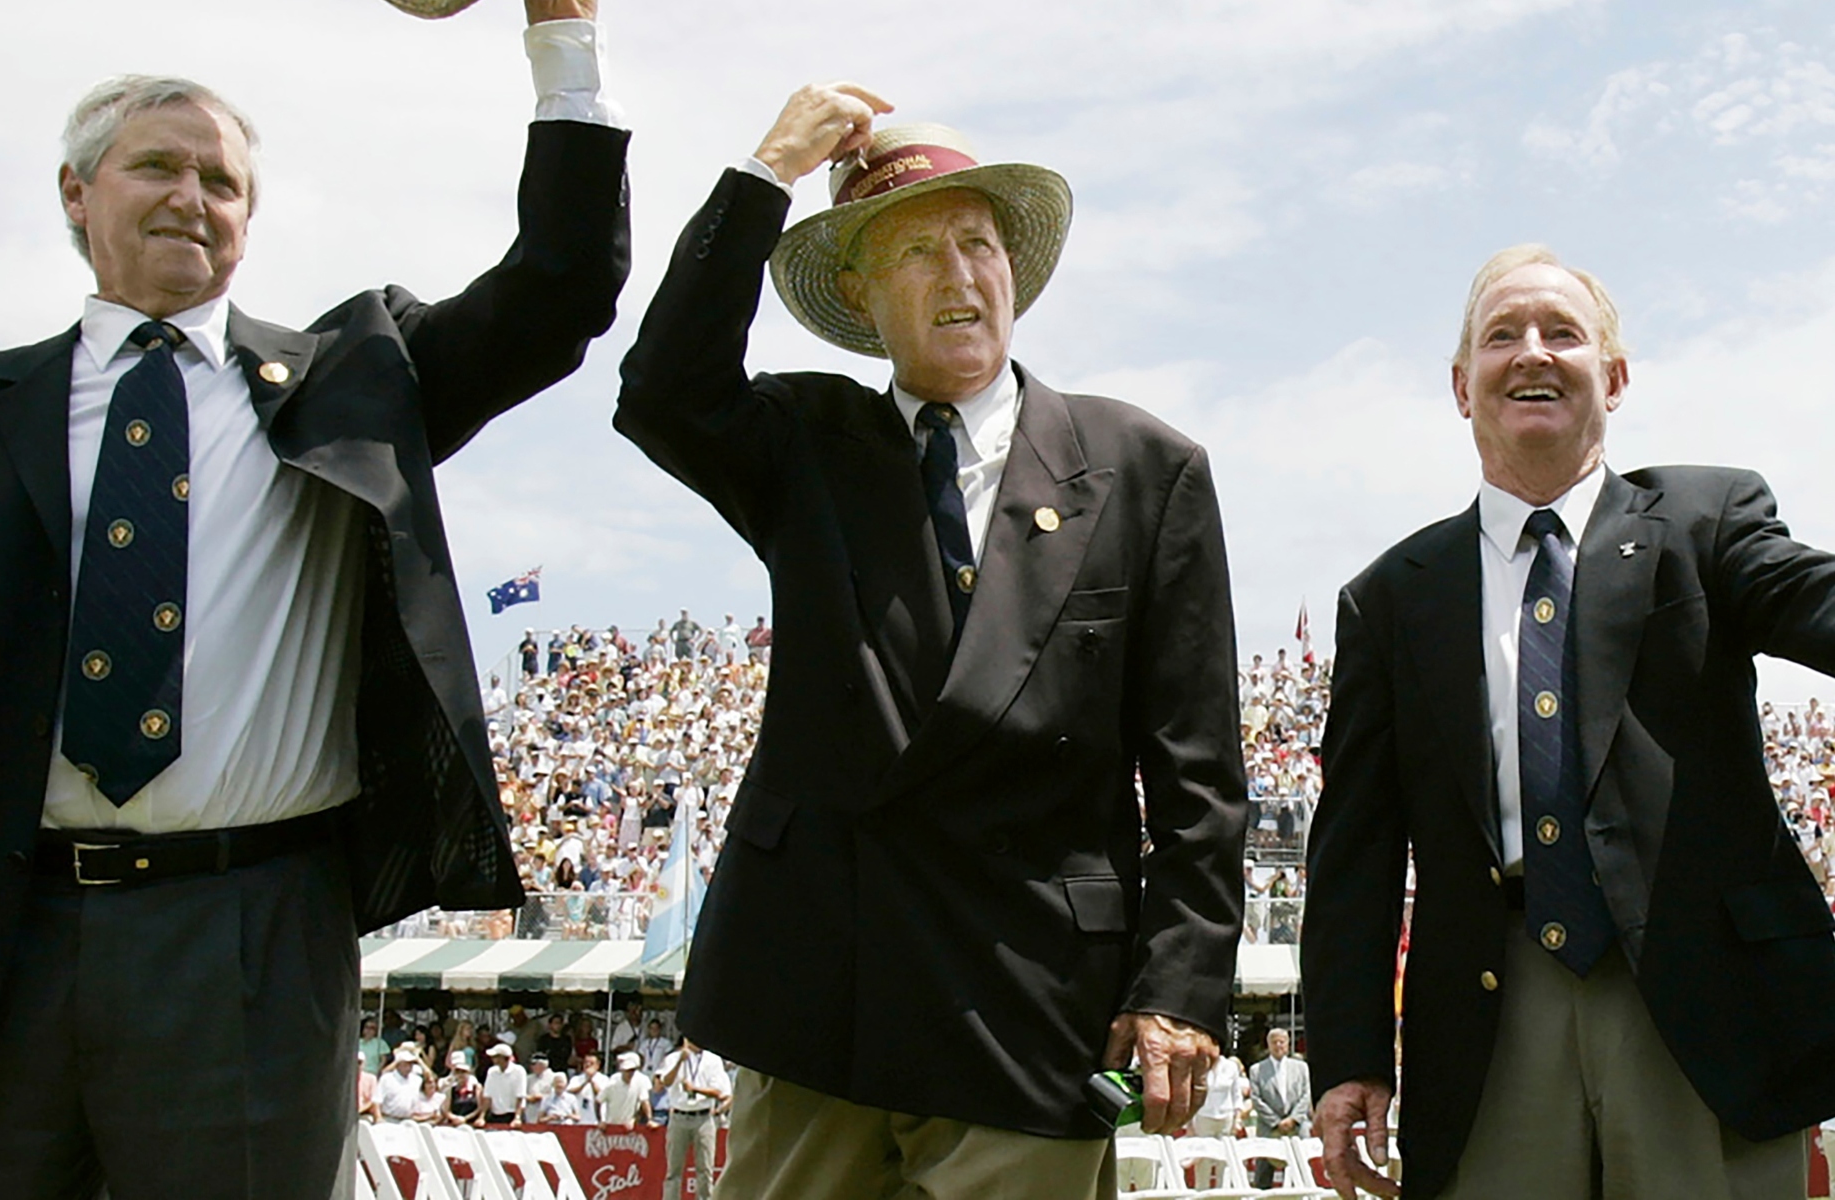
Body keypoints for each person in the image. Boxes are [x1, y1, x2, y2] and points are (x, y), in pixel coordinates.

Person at [0, 0, 630, 1196]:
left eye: (222, 181)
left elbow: (561, 289)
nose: (191, 196)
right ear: (76, 193)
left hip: (250, 936)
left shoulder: (351, 380)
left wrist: (566, 48)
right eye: (158, 166)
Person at [614, 84, 1245, 1199]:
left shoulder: (1147, 469)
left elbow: (1198, 774)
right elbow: (663, 388)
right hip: (818, 997)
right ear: (858, 292)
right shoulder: (808, 442)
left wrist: (1180, 985)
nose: (959, 277)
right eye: (917, 252)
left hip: (1031, 1003)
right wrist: (763, 174)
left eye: (978, 244)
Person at [1303, 245, 1835, 1200]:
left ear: (1616, 377)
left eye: (1563, 332)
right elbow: (1356, 852)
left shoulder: (1707, 519)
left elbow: (1809, 596)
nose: (1532, 353)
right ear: (1462, 387)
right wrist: (1347, 1056)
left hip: (1698, 1003)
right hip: (1491, 1016)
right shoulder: (1390, 599)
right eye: (1501, 336)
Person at [657, 1038, 731, 1200]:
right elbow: (665, 1082)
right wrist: (679, 1062)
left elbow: (720, 1092)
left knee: (705, 1169)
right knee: (673, 1170)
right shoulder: (673, 1058)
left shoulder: (713, 1060)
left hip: (703, 1117)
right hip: (679, 1115)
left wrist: (695, 1089)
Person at [1249, 1029, 1310, 1188]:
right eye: (1274, 1042)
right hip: (1268, 1129)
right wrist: (1276, 1123)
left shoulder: (1301, 1067)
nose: (1278, 1045)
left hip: (1296, 1127)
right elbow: (1256, 1099)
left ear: (1288, 1044)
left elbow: (1306, 1095)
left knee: (1301, 1175)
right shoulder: (1257, 1070)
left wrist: (1293, 1119)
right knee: (1263, 1178)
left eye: (1282, 1041)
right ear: (1268, 1045)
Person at [600, 1050, 654, 1126]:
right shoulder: (614, 1080)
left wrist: (639, 1119)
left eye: (632, 1070)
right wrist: (602, 1120)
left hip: (630, 1125)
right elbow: (600, 1099)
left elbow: (644, 1102)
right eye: (627, 1071)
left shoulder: (642, 1080)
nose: (629, 1074)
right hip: (611, 1124)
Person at [377, 1048, 426, 1124]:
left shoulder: (416, 1080)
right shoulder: (387, 1079)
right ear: (398, 1065)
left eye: (410, 1064)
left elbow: (431, 1078)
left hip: (408, 1121)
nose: (408, 1067)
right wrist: (378, 1118)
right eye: (405, 1064)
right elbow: (377, 1100)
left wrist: (419, 1059)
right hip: (389, 1119)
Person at [482, 1043, 525, 1126]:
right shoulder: (491, 1071)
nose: (493, 1059)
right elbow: (487, 1096)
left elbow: (520, 1096)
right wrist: (482, 1117)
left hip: (512, 1114)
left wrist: (517, 1117)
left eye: (496, 1057)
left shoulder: (519, 1071)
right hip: (495, 1114)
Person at [443, 1052, 485, 1127]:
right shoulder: (451, 1089)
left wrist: (465, 1118)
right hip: (455, 1124)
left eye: (463, 1072)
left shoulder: (476, 1088)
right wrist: (454, 1118)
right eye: (458, 1072)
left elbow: (480, 1107)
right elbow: (446, 1110)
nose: (461, 1074)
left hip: (472, 1123)